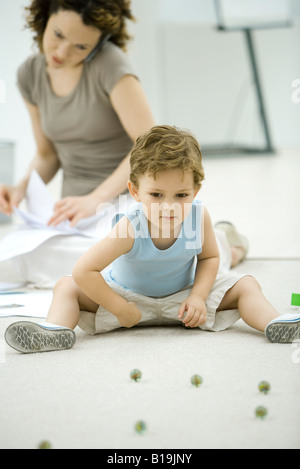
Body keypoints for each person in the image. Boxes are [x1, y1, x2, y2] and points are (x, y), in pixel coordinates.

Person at [5, 125, 300, 353]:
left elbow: (209, 258)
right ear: (135, 192)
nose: (168, 206)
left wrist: (198, 296)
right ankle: (55, 331)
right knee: (66, 285)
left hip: (184, 300)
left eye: (181, 195)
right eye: (156, 195)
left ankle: (274, 323)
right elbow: (85, 270)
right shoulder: (130, 227)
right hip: (128, 301)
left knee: (246, 284)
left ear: (195, 192)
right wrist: (119, 308)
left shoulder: (199, 217)